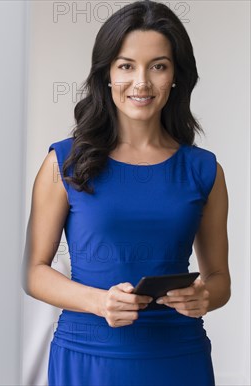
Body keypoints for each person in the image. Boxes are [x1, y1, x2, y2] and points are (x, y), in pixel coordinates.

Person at [21, 1, 231, 385]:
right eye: (126, 66)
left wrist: (205, 297)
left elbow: (220, 279)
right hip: (88, 358)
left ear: (175, 77)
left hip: (178, 357)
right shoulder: (63, 163)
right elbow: (33, 272)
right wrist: (99, 302)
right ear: (106, 75)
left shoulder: (204, 170)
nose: (142, 83)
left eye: (158, 66)